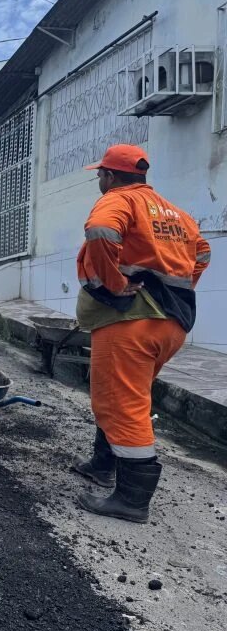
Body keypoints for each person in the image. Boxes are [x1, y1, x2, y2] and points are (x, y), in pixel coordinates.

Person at [71, 144, 210, 523]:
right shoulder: (175, 213)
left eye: (100, 174)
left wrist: (115, 284)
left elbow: (100, 231)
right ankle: (103, 465)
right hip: (170, 322)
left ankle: (131, 500)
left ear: (111, 177)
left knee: (122, 404)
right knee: (124, 395)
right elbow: (202, 252)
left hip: (132, 320)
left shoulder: (120, 201)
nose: (99, 180)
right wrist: (179, 287)